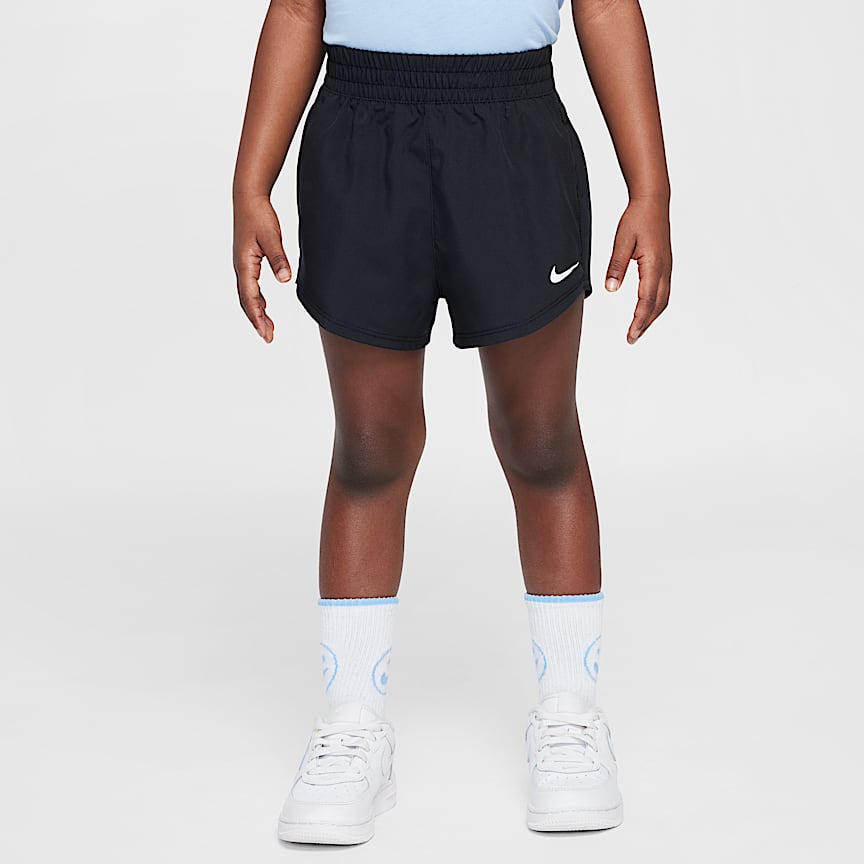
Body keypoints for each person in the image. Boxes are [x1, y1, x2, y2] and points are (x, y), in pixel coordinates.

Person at [232, 0, 671, 845]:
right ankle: (354, 725)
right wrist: (252, 181)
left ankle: (569, 714)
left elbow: (606, 5)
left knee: (541, 439)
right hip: (361, 133)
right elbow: (297, 7)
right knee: (370, 447)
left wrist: (649, 188)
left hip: (513, 131)